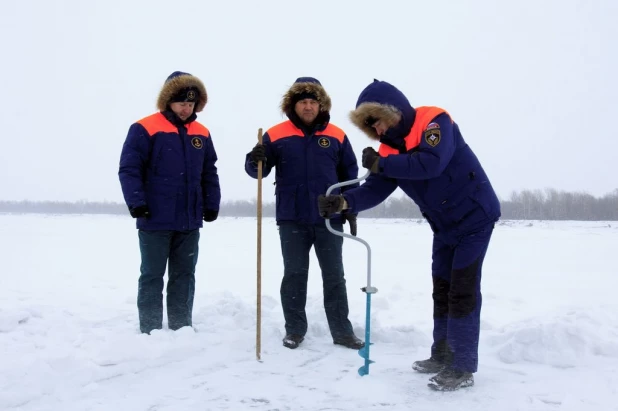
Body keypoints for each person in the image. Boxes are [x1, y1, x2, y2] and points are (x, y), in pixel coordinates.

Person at [318, 79, 501, 390]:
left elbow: (431, 163)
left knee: (462, 291)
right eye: (369, 126)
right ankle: (442, 353)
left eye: (375, 121)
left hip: (474, 217)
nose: (375, 131)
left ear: (392, 111)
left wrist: (383, 163)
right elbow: (375, 190)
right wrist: (344, 202)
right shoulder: (389, 150)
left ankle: (462, 365)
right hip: (444, 226)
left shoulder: (435, 122)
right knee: (442, 289)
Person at [244, 77, 364, 350]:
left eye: (313, 102)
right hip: (292, 217)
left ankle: (342, 331)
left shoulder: (337, 135)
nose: (308, 107)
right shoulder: (275, 134)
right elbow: (256, 172)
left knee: (335, 276)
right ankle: (295, 329)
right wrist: (254, 159)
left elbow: (350, 176)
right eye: (303, 102)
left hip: (329, 218)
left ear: (321, 105)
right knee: (295, 274)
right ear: (293, 105)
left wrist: (350, 208)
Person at [119, 71, 221, 334]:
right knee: (152, 276)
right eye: (181, 103)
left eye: (191, 103)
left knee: (184, 275)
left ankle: (181, 326)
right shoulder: (145, 128)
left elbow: (209, 171)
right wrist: (137, 203)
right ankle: (150, 329)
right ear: (168, 102)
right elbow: (129, 169)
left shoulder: (202, 133)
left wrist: (211, 203)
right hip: (154, 217)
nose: (186, 108)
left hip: (189, 220)